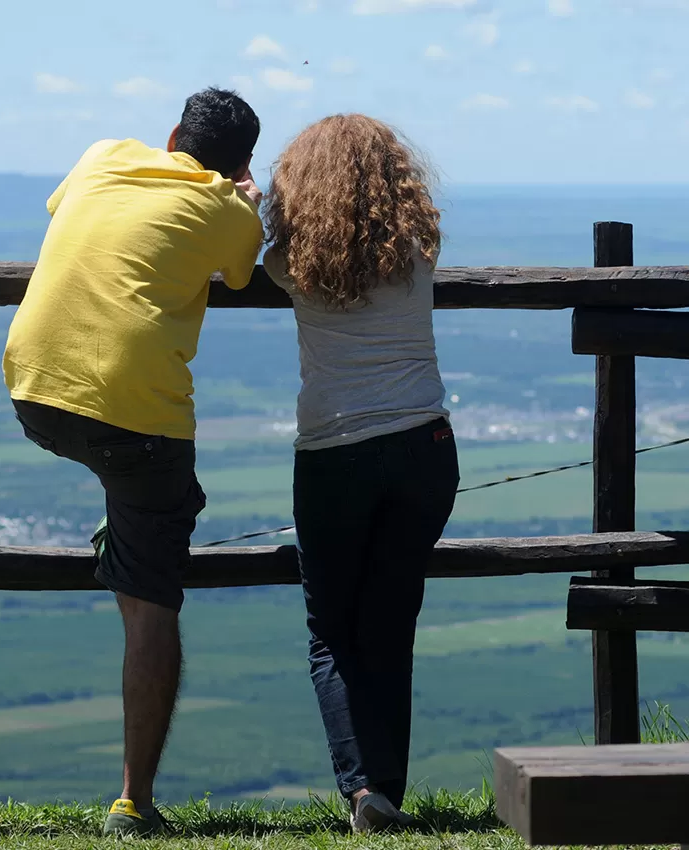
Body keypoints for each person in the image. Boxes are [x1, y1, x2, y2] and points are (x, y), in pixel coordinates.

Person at [2, 88, 264, 835]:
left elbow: (69, 215)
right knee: (153, 594)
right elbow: (242, 273)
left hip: (35, 392)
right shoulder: (229, 209)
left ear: (175, 132)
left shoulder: (103, 154)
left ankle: (127, 529)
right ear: (242, 163)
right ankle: (133, 802)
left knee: (145, 491)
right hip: (136, 419)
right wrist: (248, 199)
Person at [261, 114, 458, 833]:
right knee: (390, 624)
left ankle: (363, 790)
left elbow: (257, 246)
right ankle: (387, 793)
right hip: (425, 444)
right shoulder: (419, 246)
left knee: (333, 633)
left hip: (334, 455)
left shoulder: (293, 264)